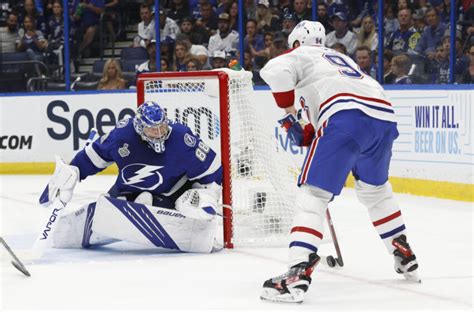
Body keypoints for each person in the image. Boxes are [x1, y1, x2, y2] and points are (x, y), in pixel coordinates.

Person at [259, 20, 420, 304]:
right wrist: (310, 126)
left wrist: (289, 110)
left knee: (313, 194)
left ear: (296, 43)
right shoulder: (339, 59)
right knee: (376, 191)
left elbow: (272, 70)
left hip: (346, 119)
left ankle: (298, 271)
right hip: (382, 119)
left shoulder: (301, 55)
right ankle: (402, 249)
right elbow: (321, 111)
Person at [40, 101, 223, 253]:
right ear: (139, 127)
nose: (159, 133)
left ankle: (153, 206)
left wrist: (207, 196)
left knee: (171, 204)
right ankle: (126, 205)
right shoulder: (121, 136)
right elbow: (93, 157)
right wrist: (73, 172)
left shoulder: (182, 139)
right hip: (128, 189)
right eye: (153, 130)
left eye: (162, 127)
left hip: (171, 194)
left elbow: (211, 170)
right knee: (111, 207)